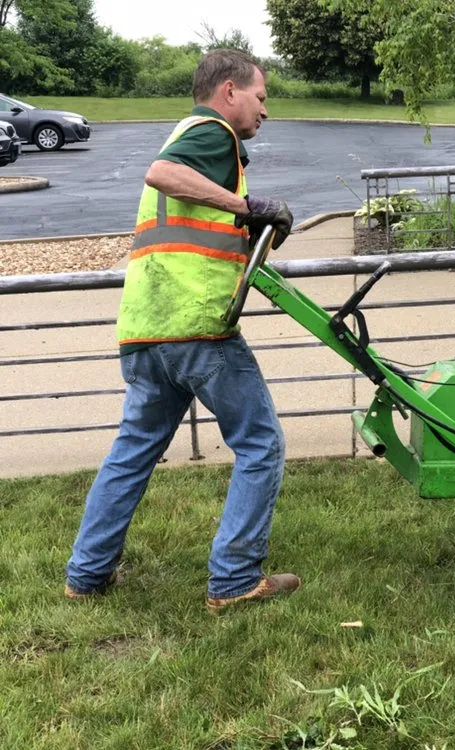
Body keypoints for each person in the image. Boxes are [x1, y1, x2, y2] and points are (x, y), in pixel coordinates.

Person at [65, 50, 299, 612]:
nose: (265, 111)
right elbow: (162, 174)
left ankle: (87, 573)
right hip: (196, 328)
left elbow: (195, 227)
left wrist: (253, 228)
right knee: (261, 444)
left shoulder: (197, 140)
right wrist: (246, 205)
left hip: (146, 327)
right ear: (229, 92)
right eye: (261, 97)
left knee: (133, 451)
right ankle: (236, 578)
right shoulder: (212, 133)